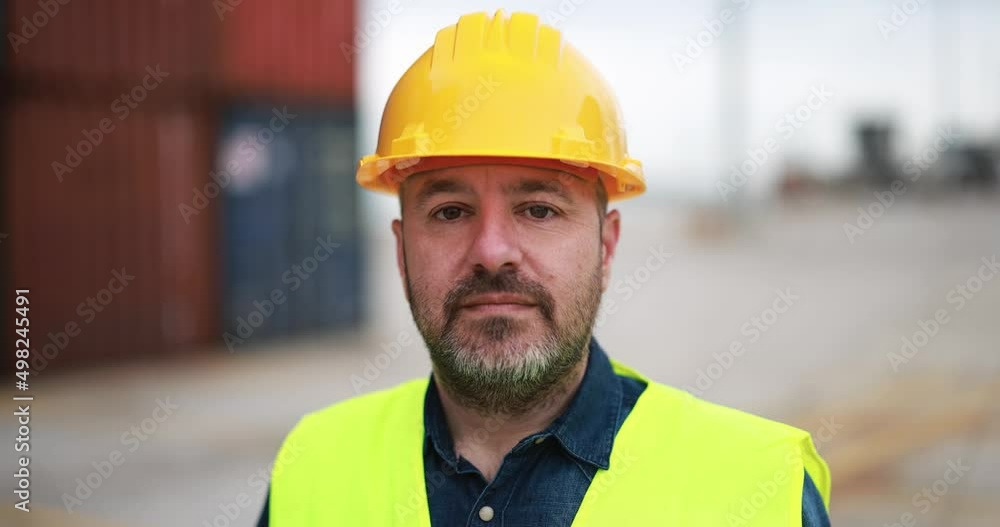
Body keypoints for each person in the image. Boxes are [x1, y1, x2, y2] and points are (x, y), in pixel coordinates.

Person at [257, 10, 831, 526]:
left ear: (606, 246)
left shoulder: (758, 485)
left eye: (539, 210)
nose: (492, 251)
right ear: (401, 251)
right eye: (450, 211)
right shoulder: (314, 464)